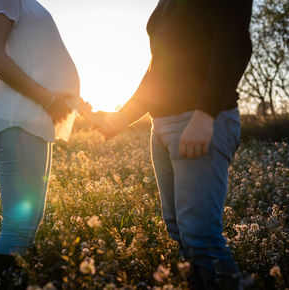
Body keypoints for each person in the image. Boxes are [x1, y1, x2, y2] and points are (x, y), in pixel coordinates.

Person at [87, 0, 254, 288]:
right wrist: (122, 117)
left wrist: (205, 115)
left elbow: (234, 44)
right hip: (162, 125)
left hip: (199, 121)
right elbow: (158, 69)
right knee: (178, 229)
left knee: (200, 235)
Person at [0, 0, 79, 270]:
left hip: (28, 116)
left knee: (30, 217)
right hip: (17, 117)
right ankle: (1, 281)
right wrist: (49, 99)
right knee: (19, 224)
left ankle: (18, 278)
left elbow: (33, 57)